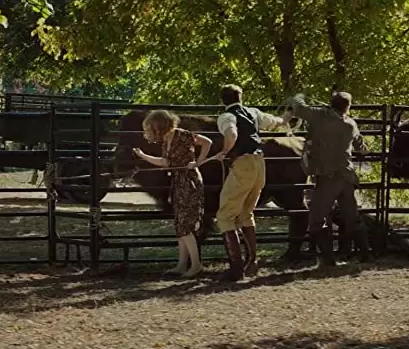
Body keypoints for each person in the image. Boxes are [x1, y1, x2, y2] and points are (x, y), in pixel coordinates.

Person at [213, 84, 293, 281]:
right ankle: (252, 262)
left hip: (243, 164)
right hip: (259, 163)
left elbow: (231, 134)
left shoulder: (226, 117)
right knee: (246, 213)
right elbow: (277, 122)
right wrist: (287, 116)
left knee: (224, 215)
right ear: (241, 97)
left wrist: (225, 152)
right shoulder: (253, 112)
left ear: (223, 100)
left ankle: (236, 268)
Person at [287, 91, 370, 267]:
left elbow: (299, 108)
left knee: (316, 219)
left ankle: (328, 260)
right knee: (352, 216)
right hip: (347, 175)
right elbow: (362, 147)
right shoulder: (351, 124)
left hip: (327, 177)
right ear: (348, 107)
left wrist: (299, 95)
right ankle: (365, 254)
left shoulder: (319, 117)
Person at [132, 110, 212, 278]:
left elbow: (207, 142)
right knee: (180, 223)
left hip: (189, 182)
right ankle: (182, 265)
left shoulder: (182, 135)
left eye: (152, 127)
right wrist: (143, 156)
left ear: (159, 126)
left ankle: (196, 265)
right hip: (177, 181)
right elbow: (166, 163)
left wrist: (198, 162)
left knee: (185, 224)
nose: (150, 131)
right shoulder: (166, 140)